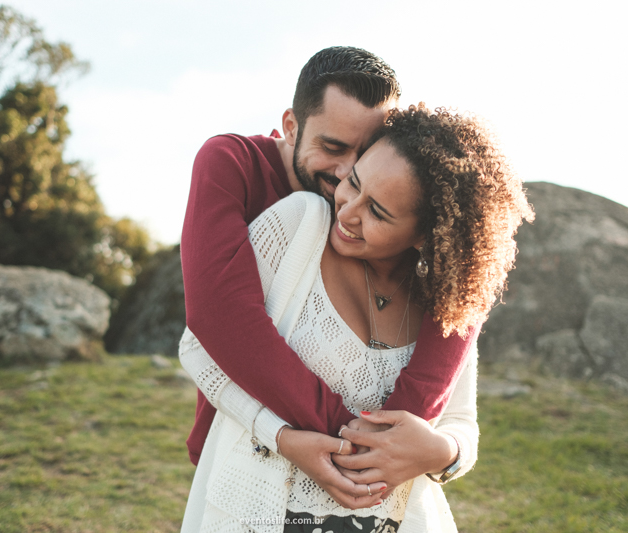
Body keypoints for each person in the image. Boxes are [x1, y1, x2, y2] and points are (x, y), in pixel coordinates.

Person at [180, 104, 535, 531]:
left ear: (424, 236)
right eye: (354, 183)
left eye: (378, 212)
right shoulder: (299, 224)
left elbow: (461, 427)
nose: (347, 212)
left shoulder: (446, 302)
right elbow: (198, 350)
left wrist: (441, 453)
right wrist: (282, 438)